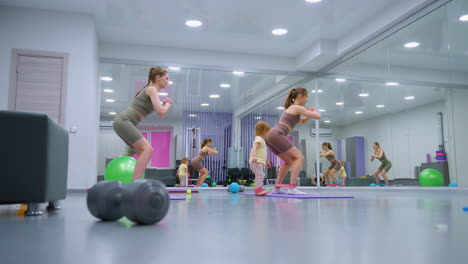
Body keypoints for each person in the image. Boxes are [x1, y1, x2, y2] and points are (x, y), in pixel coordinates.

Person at [113, 67, 173, 180]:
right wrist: (168, 104)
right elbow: (161, 112)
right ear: (158, 77)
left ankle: (119, 178)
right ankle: (135, 183)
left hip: (125, 122)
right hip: (124, 121)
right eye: (166, 78)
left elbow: (158, 107)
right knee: (147, 149)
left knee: (135, 151)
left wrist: (163, 104)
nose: (167, 81)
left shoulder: (151, 90)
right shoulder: (152, 89)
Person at [266, 87, 321, 195]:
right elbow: (318, 116)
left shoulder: (294, 109)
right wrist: (313, 112)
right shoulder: (297, 107)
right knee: (299, 157)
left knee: (289, 162)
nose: (307, 100)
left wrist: (308, 114)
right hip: (277, 133)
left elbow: (303, 121)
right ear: (300, 96)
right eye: (306, 97)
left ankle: (276, 188)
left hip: (271, 135)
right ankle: (292, 188)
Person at [249, 121, 272, 196]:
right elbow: (254, 147)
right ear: (264, 131)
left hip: (259, 161)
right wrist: (254, 156)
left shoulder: (261, 140)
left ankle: (259, 188)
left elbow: (262, 153)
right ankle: (258, 190)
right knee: (260, 175)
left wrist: (266, 161)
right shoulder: (258, 138)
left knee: (260, 175)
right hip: (256, 161)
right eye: (267, 131)